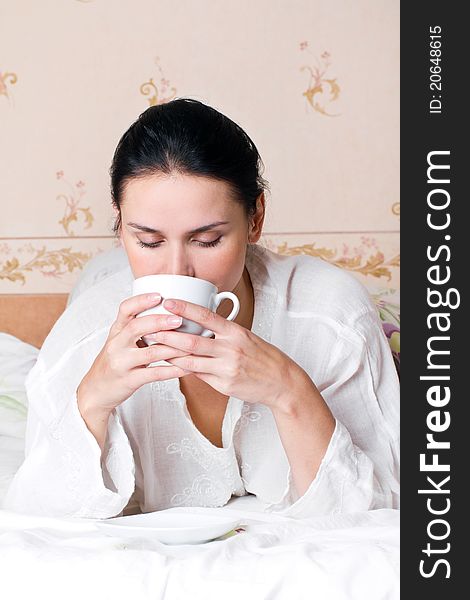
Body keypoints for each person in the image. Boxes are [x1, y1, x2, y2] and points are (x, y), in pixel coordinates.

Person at [3, 98, 399, 519]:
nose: (178, 270)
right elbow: (33, 523)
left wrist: (289, 390)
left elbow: (384, 513)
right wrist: (93, 400)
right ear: (120, 225)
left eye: (207, 240)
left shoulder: (329, 315)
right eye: (149, 242)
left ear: (255, 218)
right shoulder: (84, 332)